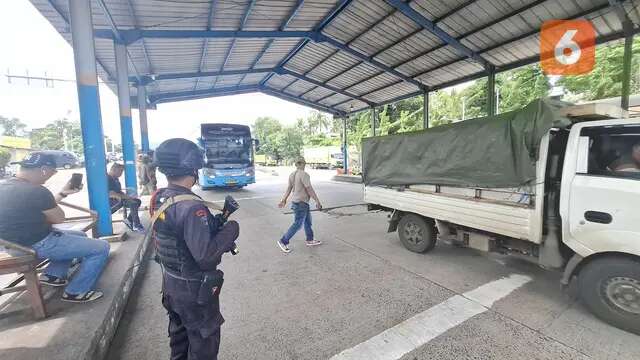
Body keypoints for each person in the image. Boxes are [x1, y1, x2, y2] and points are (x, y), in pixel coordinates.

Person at [151, 138, 240, 360]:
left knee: (179, 342)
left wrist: (217, 221)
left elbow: (177, 233)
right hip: (194, 292)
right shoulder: (191, 207)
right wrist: (231, 229)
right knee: (203, 347)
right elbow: (207, 257)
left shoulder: (161, 197)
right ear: (193, 167)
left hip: (172, 285)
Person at [0, 152, 109, 303]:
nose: (51, 175)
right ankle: (76, 292)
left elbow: (38, 209)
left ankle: (53, 275)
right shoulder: (37, 191)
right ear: (44, 169)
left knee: (79, 236)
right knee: (101, 247)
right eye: (53, 172)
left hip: (11, 246)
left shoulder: (4, 185)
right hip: (36, 245)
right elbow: (58, 218)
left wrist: (63, 193)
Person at [277, 157, 323, 253]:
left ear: (296, 164)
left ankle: (310, 239)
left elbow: (289, 189)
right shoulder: (304, 174)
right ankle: (283, 241)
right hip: (301, 203)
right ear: (303, 164)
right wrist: (317, 201)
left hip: (298, 202)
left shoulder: (292, 175)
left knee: (307, 222)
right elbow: (309, 188)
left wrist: (284, 200)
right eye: (304, 164)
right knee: (297, 224)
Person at [107, 163, 144, 231]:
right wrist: (127, 197)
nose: (121, 173)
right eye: (120, 171)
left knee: (137, 201)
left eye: (122, 171)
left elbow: (118, 191)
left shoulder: (116, 178)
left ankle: (129, 220)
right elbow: (111, 193)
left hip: (119, 198)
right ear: (114, 170)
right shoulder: (108, 178)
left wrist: (127, 196)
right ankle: (136, 224)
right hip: (112, 201)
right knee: (133, 203)